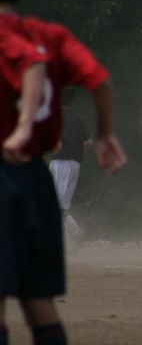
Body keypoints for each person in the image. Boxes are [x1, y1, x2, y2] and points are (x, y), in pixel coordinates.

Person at [0, 0, 127, 345]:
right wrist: (106, 134)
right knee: (41, 307)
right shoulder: (50, 36)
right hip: (36, 177)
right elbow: (100, 82)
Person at [48, 88, 92, 251]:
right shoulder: (78, 118)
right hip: (75, 164)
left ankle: (71, 238)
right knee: (62, 207)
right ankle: (75, 235)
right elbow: (88, 142)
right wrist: (73, 146)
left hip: (60, 163)